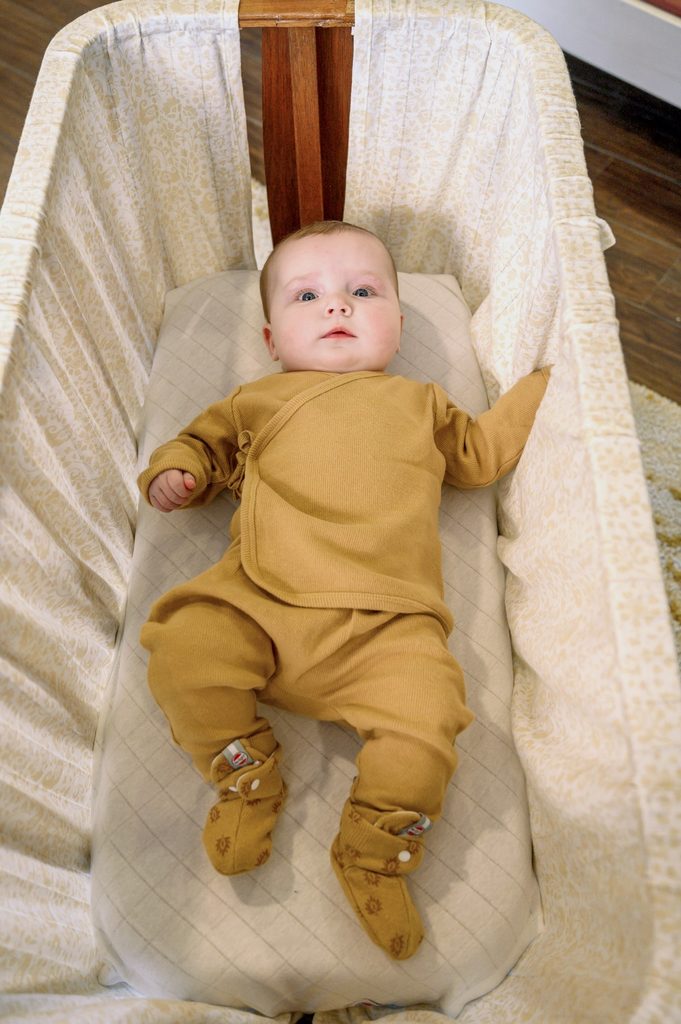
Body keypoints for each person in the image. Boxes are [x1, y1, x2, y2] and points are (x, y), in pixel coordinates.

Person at [138, 220, 550, 961]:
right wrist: (180, 471)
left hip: (387, 627)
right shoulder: (256, 400)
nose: (337, 306)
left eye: (363, 291)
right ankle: (246, 776)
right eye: (308, 296)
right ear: (272, 339)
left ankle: (373, 849)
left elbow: (481, 454)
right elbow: (201, 444)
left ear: (398, 325)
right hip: (260, 598)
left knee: (430, 723)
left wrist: (548, 381)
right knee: (183, 648)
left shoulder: (422, 403)